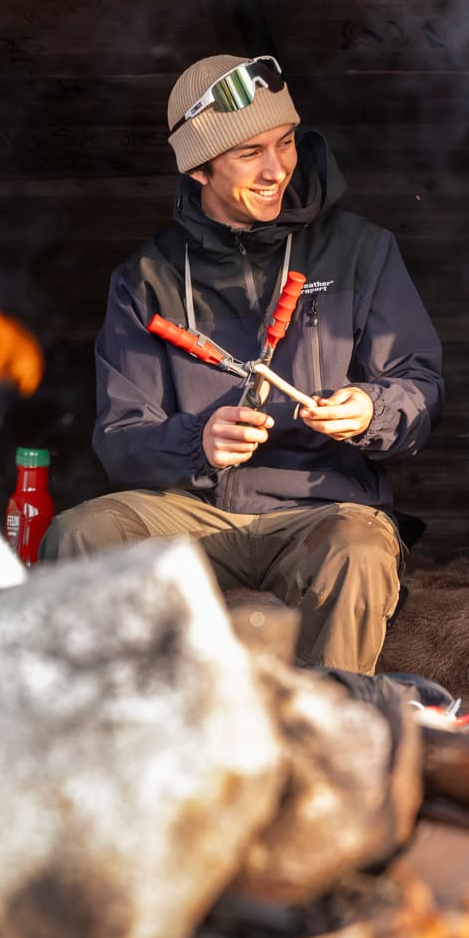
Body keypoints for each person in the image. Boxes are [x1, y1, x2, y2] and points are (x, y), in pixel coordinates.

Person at [43, 54, 444, 675]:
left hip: (325, 509)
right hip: (192, 513)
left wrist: (372, 410)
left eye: (285, 142)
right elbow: (121, 439)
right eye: (250, 152)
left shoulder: (362, 250)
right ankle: (107, 728)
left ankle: (327, 733)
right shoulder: (145, 279)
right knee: (80, 534)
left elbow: (419, 385)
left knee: (359, 549)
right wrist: (196, 441)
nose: (277, 168)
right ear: (199, 167)